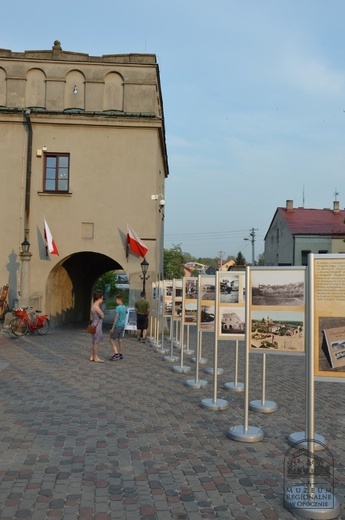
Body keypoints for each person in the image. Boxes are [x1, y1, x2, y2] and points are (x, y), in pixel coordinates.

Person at [109, 294, 127, 361]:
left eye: (116, 300)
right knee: (120, 339)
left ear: (119, 300)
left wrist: (113, 327)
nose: (115, 301)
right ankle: (120, 354)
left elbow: (116, 317)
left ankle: (116, 354)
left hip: (118, 325)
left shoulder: (118, 308)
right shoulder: (124, 307)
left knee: (111, 339)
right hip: (122, 325)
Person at [89, 291, 105, 362]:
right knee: (96, 342)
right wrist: (102, 313)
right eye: (102, 298)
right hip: (97, 325)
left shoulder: (93, 305)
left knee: (93, 341)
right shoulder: (96, 307)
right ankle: (96, 357)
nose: (102, 299)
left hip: (93, 324)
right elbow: (102, 315)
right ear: (99, 298)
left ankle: (92, 356)